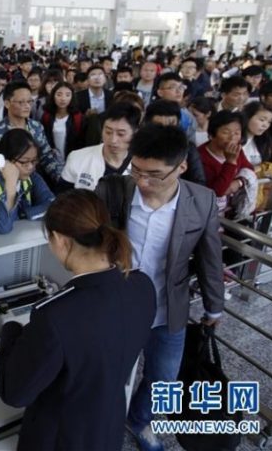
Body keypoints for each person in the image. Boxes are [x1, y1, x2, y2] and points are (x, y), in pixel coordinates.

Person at [95, 124, 225, 451]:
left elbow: (210, 257)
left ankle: (138, 420)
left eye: (154, 175)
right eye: (136, 170)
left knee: (163, 379)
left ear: (181, 167)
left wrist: (215, 306)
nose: (142, 182)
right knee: (109, 375)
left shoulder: (201, 201)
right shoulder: (114, 191)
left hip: (169, 307)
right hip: (118, 305)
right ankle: (100, 425)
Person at [0, 189, 155, 451]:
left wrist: (10, 330)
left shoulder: (54, 316)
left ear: (61, 240)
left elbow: (15, 393)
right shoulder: (142, 285)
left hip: (60, 439)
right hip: (107, 428)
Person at [0, 129, 54, 234]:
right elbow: (3, 227)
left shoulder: (32, 177)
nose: (30, 167)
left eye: (34, 161)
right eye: (24, 162)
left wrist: (22, 214)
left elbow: (53, 206)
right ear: (4, 160)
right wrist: (10, 186)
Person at [0, 81, 64, 186]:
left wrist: (61, 179)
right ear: (7, 103)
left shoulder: (37, 127)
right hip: (10, 184)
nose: (27, 106)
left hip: (36, 180)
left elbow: (46, 156)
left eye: (29, 102)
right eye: (21, 102)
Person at [59, 102, 140, 191]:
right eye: (108, 132)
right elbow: (62, 199)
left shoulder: (142, 165)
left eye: (120, 134)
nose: (113, 140)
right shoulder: (77, 158)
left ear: (135, 133)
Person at [143, 100, 206, 186]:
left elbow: (198, 182)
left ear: (178, 123)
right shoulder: (138, 147)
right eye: (159, 126)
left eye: (171, 125)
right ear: (147, 124)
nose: (166, 130)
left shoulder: (188, 148)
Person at [198, 110, 254, 206]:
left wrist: (239, 182)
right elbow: (218, 191)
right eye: (226, 132)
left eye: (237, 133)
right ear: (211, 135)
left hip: (230, 209)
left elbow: (248, 169)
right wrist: (230, 162)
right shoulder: (200, 156)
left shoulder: (237, 150)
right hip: (209, 209)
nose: (232, 138)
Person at [40, 82, 84, 159]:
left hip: (73, 158)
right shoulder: (46, 116)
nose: (63, 99)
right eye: (59, 94)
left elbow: (82, 142)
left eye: (67, 95)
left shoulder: (78, 118)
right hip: (52, 160)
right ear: (53, 96)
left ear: (72, 97)